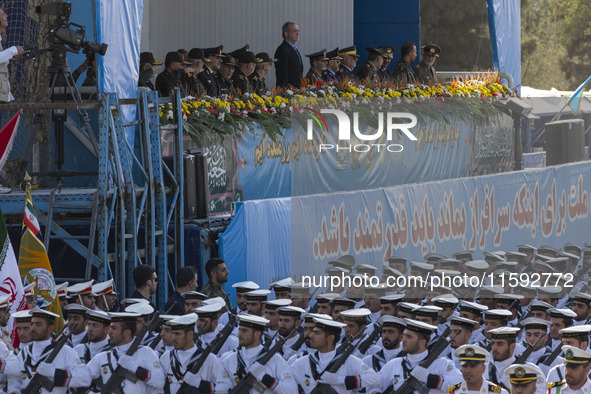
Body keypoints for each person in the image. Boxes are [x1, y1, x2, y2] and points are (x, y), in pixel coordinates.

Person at [73, 311, 165, 393]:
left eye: (113, 328)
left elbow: (159, 382)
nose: (109, 332)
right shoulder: (103, 357)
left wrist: (134, 368)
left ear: (126, 332)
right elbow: (79, 378)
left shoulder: (146, 353)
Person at [1, 309, 88, 393]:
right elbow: (16, 379)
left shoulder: (66, 352)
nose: (33, 328)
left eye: (38, 324)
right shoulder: (24, 353)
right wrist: (14, 391)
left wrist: (54, 373)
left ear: (50, 328)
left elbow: (84, 378)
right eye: (32, 324)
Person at [291, 317, 378, 393]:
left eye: (317, 333)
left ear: (330, 338)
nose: (311, 335)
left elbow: (374, 378)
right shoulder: (302, 362)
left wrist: (340, 380)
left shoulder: (349, 361)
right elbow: (287, 383)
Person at [375, 319, 463, 392]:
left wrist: (430, 379)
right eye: (404, 336)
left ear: (422, 341)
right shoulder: (395, 363)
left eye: (409, 337)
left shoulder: (442, 363)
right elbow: (374, 384)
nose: (403, 340)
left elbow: (460, 385)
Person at [216, 314, 298, 392]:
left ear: (257, 334)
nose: (239, 334)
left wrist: (270, 381)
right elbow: (221, 388)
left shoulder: (275, 359)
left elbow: (292, 390)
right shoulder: (229, 360)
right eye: (240, 330)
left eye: (244, 331)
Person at [159, 313, 219, 393]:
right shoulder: (166, 357)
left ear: (190, 334)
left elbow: (222, 388)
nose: (173, 338)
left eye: (177, 334)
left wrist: (199, 383)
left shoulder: (209, 358)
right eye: (172, 333)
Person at [274, 21, 303, 88]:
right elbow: (282, 73)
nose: (297, 33)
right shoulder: (282, 50)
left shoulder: (293, 48)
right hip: (288, 92)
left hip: (296, 90)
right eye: (294, 31)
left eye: (298, 31)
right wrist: (285, 91)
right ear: (286, 34)